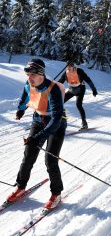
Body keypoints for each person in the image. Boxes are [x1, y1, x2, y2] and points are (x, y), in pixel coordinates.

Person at [6, 59, 67, 210]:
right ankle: (20, 187)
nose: (29, 78)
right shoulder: (29, 84)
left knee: (50, 160)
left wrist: (38, 138)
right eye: (27, 74)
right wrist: (21, 109)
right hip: (38, 120)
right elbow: (25, 96)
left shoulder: (53, 89)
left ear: (41, 74)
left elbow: (57, 118)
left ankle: (56, 193)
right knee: (28, 156)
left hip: (56, 124)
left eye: (32, 74)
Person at [58, 62, 98, 130]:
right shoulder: (66, 73)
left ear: (73, 66)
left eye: (71, 66)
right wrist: (52, 87)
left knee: (78, 105)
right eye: (68, 67)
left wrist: (93, 89)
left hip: (80, 90)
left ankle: (84, 124)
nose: (69, 68)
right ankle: (60, 123)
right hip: (72, 90)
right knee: (59, 103)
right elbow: (60, 82)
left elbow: (88, 80)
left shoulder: (79, 71)